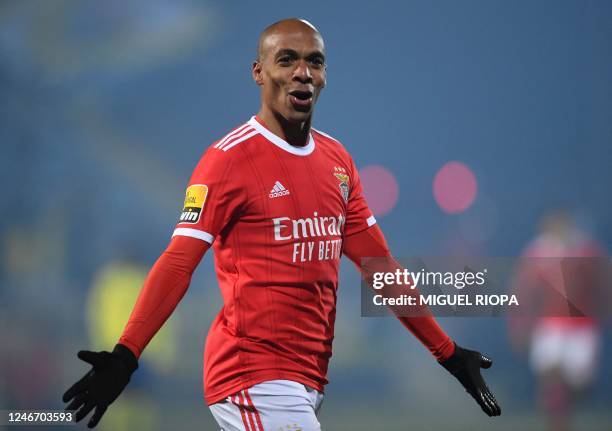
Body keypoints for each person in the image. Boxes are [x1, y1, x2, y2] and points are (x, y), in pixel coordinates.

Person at [63, 18, 501, 430]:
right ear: (258, 72)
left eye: (315, 61)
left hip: (306, 378)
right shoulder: (227, 161)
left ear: (325, 75)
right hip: (251, 374)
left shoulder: (337, 161)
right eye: (287, 59)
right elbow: (179, 261)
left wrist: (448, 353)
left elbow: (380, 268)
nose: (303, 72)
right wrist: (126, 354)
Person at [508, 211, 606, 431]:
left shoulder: (587, 252)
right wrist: (520, 324)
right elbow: (524, 291)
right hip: (550, 325)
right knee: (550, 374)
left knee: (579, 384)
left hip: (582, 328)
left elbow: (602, 287)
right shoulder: (537, 254)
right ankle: (556, 421)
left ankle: (566, 403)